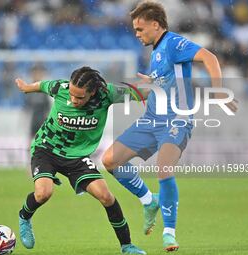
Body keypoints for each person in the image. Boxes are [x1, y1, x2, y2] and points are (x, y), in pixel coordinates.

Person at [102, 1, 238, 252]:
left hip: (176, 119)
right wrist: (152, 80)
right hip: (151, 119)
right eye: (135, 30)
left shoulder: (174, 42)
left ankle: (169, 233)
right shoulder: (156, 51)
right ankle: (148, 200)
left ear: (155, 25)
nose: (137, 34)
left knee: (163, 169)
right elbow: (168, 79)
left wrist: (218, 91)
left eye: (140, 29)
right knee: (110, 160)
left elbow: (209, 57)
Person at [15, 66, 149, 255]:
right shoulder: (60, 88)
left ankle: (127, 246)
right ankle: (24, 216)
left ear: (93, 92)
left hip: (77, 157)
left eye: (79, 97)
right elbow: (42, 85)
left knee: (106, 196)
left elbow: (141, 93)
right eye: (71, 94)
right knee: (43, 194)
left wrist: (156, 85)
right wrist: (26, 87)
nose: (73, 100)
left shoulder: (106, 94)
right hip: (47, 148)